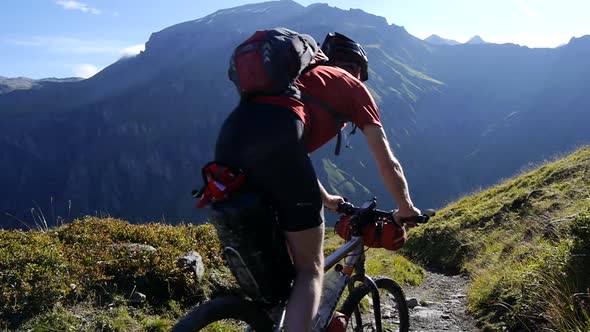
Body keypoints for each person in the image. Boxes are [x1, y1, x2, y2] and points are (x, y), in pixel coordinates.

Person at [214, 31, 421, 331]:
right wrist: (405, 208)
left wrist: (326, 199)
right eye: (362, 74)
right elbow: (386, 161)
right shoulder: (350, 85)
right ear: (357, 69)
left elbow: (290, 155)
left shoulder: (289, 86)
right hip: (278, 154)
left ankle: (268, 320)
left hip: (229, 145)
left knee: (278, 279)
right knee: (310, 271)